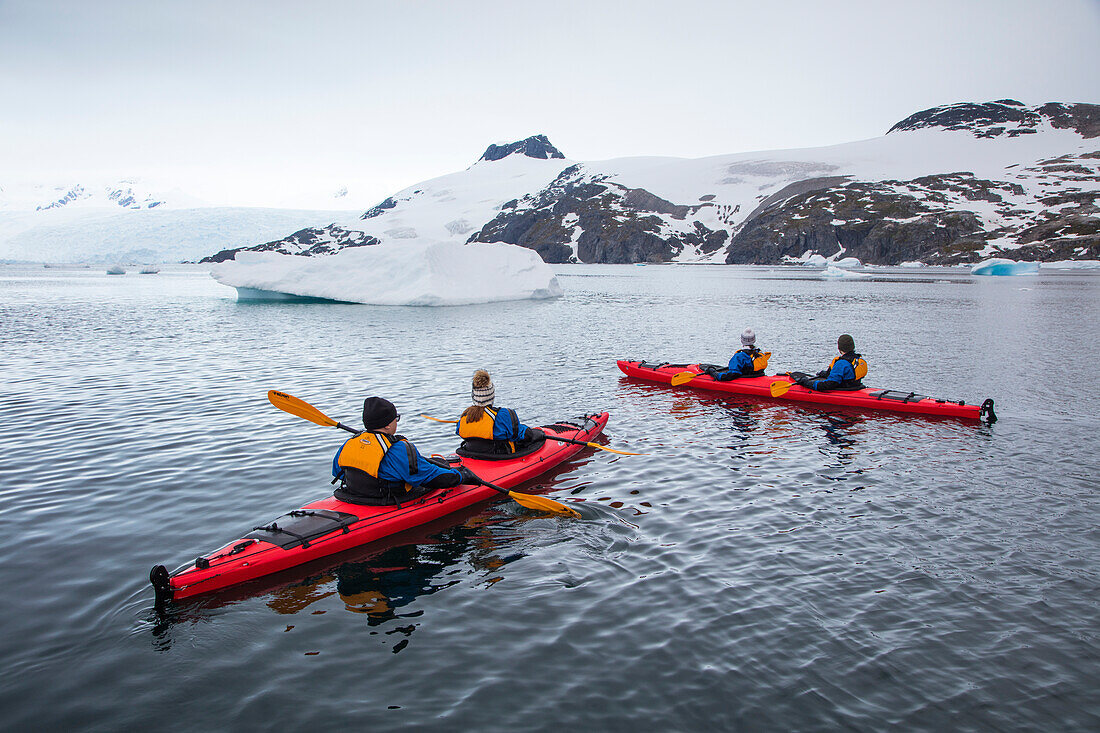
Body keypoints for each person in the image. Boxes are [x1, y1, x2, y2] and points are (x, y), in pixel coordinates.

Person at [333, 396, 476, 505]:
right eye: (396, 418)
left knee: (436, 463)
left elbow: (337, 472)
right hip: (386, 500)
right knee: (431, 471)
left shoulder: (350, 443)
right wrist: (460, 476)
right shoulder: (399, 449)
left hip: (354, 495)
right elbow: (433, 477)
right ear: (388, 426)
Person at [455, 370, 545, 456]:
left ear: (474, 396)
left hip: (473, 453)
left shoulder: (465, 415)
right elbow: (520, 434)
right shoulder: (503, 414)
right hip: (498, 456)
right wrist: (532, 432)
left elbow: (459, 431)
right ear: (492, 396)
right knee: (534, 436)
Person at [790, 334, 868, 391]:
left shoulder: (841, 363)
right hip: (856, 386)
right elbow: (846, 375)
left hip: (844, 390)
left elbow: (828, 385)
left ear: (839, 348)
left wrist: (807, 383)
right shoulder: (858, 360)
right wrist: (826, 374)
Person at [705, 328, 770, 381]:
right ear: (754, 340)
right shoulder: (759, 353)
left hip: (746, 379)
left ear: (741, 340)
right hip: (758, 376)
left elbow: (730, 376)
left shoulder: (739, 356)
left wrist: (713, 373)